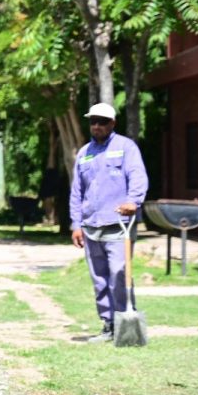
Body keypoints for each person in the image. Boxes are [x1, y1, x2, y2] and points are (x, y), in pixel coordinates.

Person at [69, 103, 148, 343]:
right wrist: (76, 224)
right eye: (93, 121)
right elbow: (77, 191)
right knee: (100, 279)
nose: (97, 126)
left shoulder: (125, 147)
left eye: (102, 121)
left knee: (118, 274)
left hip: (118, 225)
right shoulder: (84, 153)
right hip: (92, 226)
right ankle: (108, 325)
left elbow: (138, 176)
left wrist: (133, 201)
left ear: (112, 123)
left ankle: (125, 321)